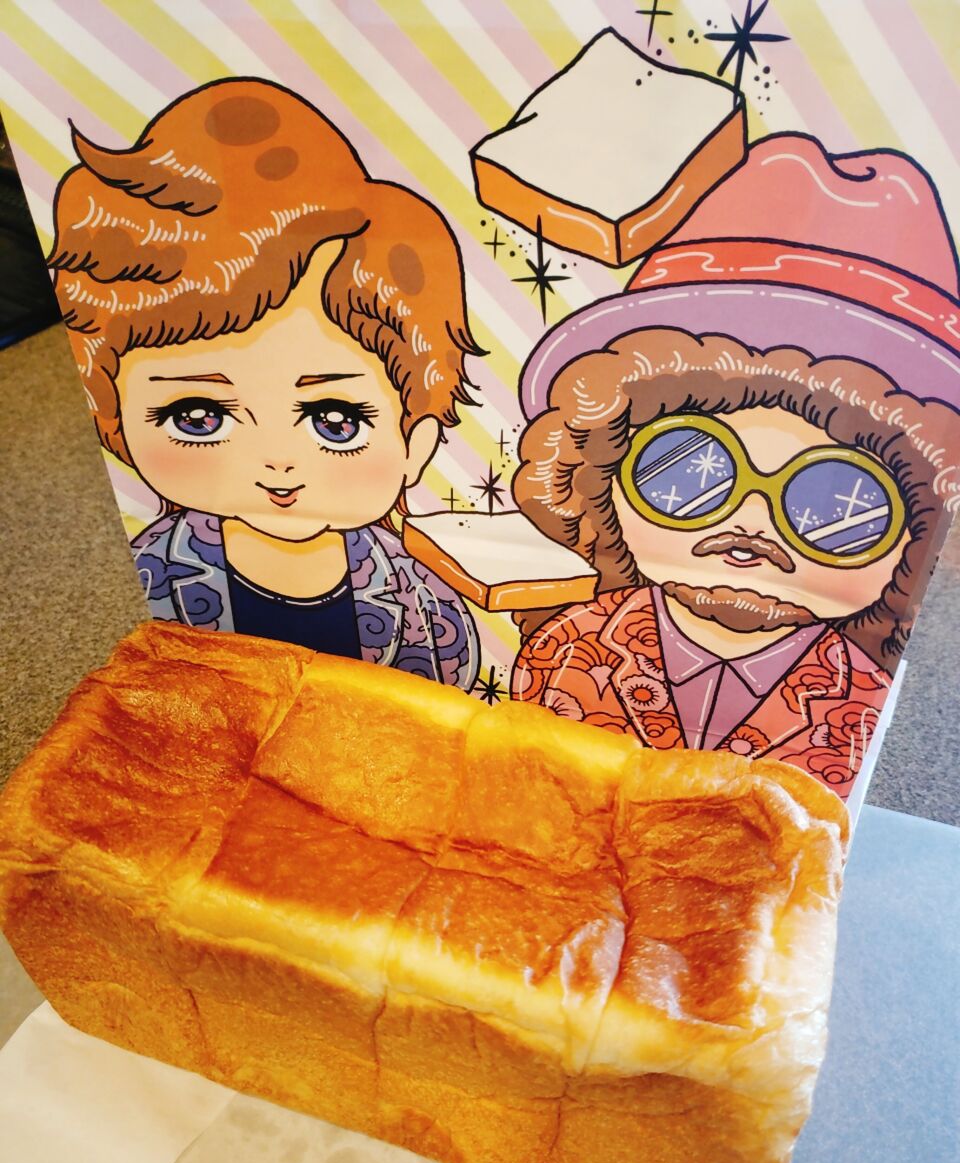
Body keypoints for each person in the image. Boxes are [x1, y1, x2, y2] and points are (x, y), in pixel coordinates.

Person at [511, 134, 960, 798]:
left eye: (835, 503)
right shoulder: (569, 647)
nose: (752, 526)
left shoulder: (854, 699)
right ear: (598, 477)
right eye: (689, 474)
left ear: (910, 546)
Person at [47, 79, 482, 689]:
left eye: (335, 420)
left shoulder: (422, 608)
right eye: (198, 415)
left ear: (418, 443)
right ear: (113, 414)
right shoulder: (158, 577)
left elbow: (445, 703)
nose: (277, 463)